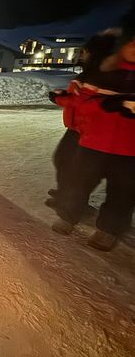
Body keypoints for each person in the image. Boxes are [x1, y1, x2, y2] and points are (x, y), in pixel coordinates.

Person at [52, 29, 135, 251]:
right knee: (78, 181)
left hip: (130, 149)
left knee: (122, 192)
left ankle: (108, 230)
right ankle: (68, 216)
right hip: (93, 142)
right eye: (131, 42)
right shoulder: (103, 71)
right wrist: (103, 105)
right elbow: (82, 102)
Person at [47, 31, 119, 206]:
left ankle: (72, 203)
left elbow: (85, 102)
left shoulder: (98, 75)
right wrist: (64, 95)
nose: (82, 55)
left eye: (85, 51)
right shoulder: (91, 73)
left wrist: (60, 99)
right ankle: (65, 194)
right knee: (63, 160)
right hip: (78, 126)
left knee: (73, 165)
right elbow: (80, 97)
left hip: (85, 129)